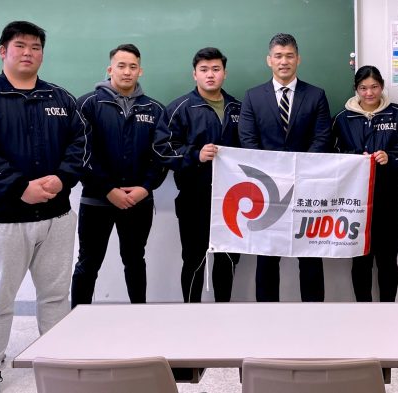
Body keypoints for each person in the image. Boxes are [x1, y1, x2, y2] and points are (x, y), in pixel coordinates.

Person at [0, 21, 87, 393]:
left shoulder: (61, 99)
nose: (28, 52)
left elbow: (81, 144)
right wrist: (18, 188)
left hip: (57, 217)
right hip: (4, 219)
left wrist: (62, 178)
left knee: (56, 297)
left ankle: (56, 361)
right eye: (20, 45)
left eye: (36, 47)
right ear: (3, 51)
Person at [70, 44, 166, 307]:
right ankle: (77, 319)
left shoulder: (155, 109)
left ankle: (139, 316)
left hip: (138, 201)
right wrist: (107, 189)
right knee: (88, 262)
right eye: (121, 66)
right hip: (97, 200)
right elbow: (82, 153)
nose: (127, 72)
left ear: (140, 71)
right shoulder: (87, 104)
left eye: (132, 67)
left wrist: (145, 188)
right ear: (110, 69)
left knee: (135, 259)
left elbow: (161, 156)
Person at [239, 33, 331, 302]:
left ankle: (314, 314)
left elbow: (322, 138)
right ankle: (267, 317)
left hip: (307, 189)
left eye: (289, 55)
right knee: (267, 259)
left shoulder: (316, 95)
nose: (284, 61)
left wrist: (299, 171)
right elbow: (248, 141)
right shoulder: (253, 97)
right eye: (278, 56)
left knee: (310, 257)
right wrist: (275, 174)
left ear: (298, 59)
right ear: (269, 60)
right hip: (268, 193)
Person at [153, 47, 241, 302]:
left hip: (232, 200)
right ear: (194, 74)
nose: (210, 75)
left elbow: (251, 148)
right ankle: (191, 313)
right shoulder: (179, 108)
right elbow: (161, 148)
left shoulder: (238, 108)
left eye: (215, 69)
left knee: (227, 258)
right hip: (194, 196)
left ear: (224, 73)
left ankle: (223, 310)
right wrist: (195, 154)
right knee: (194, 259)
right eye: (204, 70)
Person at [332, 65, 398, 302]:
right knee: (360, 256)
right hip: (354, 199)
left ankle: (388, 307)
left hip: (389, 196)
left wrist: (390, 158)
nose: (369, 93)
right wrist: (354, 158)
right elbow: (333, 154)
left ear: (382, 86)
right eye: (363, 88)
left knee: (388, 258)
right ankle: (363, 309)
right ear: (356, 89)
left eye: (374, 87)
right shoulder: (342, 119)